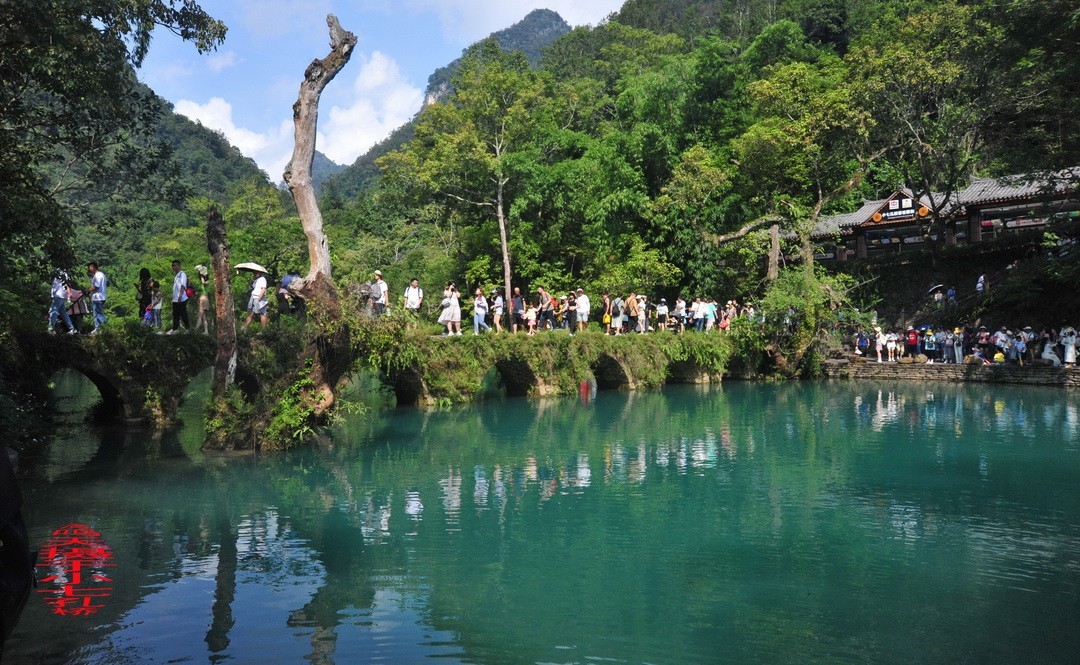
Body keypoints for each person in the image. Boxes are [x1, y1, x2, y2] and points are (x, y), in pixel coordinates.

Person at [48, 269, 77, 334]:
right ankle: (72, 328)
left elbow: (68, 284)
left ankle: (51, 329)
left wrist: (69, 293)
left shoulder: (63, 272)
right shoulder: (56, 271)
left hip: (59, 295)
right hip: (58, 295)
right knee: (63, 313)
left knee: (54, 311)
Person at [168, 260, 190, 334]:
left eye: (174, 265)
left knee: (183, 313)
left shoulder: (182, 274)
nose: (173, 267)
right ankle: (175, 329)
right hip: (175, 299)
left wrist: (180, 296)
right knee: (175, 314)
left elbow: (183, 285)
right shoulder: (176, 275)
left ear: (178, 265)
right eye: (172, 266)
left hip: (181, 298)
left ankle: (187, 329)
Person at [86, 262, 107, 334]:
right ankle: (97, 329)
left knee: (98, 314)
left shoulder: (97, 275)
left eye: (89, 268)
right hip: (101, 296)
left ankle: (106, 327)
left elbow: (96, 287)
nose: (89, 269)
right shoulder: (102, 274)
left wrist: (88, 290)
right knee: (96, 314)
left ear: (92, 267)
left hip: (98, 297)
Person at [193, 265, 210, 334]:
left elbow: (204, 282)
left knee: (200, 316)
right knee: (204, 316)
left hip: (204, 299)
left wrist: (202, 274)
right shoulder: (201, 284)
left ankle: (195, 331)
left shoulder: (207, 282)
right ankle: (206, 331)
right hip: (202, 298)